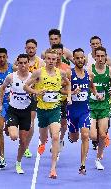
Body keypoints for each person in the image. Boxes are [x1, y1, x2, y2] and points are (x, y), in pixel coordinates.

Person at [23, 49, 70, 179]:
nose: (51, 61)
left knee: (55, 136)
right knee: (43, 137)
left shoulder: (61, 73)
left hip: (55, 109)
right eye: (48, 59)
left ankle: (53, 168)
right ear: (45, 59)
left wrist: (69, 94)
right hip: (42, 110)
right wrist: (36, 92)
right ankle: (43, 143)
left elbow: (68, 83)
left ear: (57, 60)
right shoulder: (39, 72)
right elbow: (25, 86)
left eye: (53, 59)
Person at [88, 46, 111, 170]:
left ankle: (98, 157)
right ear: (95, 57)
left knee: (102, 135)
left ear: (105, 57)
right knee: (93, 136)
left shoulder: (110, 71)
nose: (100, 58)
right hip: (91, 106)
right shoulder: (90, 71)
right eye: (98, 56)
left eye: (103, 56)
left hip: (104, 106)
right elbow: (86, 85)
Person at [0, 54, 32, 174]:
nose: (23, 65)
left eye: (25, 63)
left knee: (23, 142)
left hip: (26, 112)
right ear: (17, 64)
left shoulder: (32, 77)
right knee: (13, 136)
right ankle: (8, 126)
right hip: (13, 110)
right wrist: (1, 104)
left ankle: (18, 163)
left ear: (28, 64)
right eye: (20, 63)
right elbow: (2, 88)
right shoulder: (11, 77)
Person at [67, 48, 97, 174]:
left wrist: (96, 93)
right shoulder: (69, 73)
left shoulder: (89, 74)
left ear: (84, 58)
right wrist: (72, 92)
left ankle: (82, 165)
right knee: (74, 138)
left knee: (85, 135)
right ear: (73, 59)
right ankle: (71, 135)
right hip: (72, 111)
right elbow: (62, 90)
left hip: (85, 110)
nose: (80, 60)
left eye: (82, 58)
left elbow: (91, 85)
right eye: (77, 58)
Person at [23, 39, 45, 158]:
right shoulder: (20, 61)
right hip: (20, 96)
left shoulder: (41, 63)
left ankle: (26, 146)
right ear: (25, 48)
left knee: (30, 123)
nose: (31, 50)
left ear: (36, 49)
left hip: (33, 96)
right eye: (28, 48)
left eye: (33, 48)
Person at [51, 44, 71, 153]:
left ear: (62, 54)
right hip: (51, 100)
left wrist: (68, 96)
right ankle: (54, 140)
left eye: (59, 53)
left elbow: (68, 84)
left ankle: (61, 139)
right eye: (55, 53)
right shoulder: (47, 68)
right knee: (52, 124)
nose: (57, 56)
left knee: (63, 124)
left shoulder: (66, 69)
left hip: (63, 100)